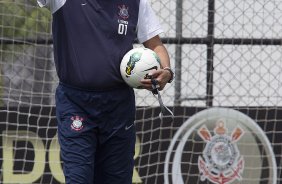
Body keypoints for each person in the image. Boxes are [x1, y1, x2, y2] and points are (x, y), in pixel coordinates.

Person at [37, 0, 173, 183]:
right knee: (78, 179)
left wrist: (167, 71)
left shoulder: (136, 3)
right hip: (75, 104)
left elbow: (156, 45)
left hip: (119, 106)